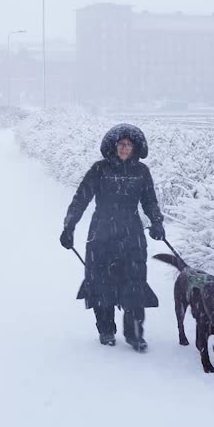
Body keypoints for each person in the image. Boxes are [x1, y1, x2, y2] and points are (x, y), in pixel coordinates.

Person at [59, 123, 165, 351]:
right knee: (100, 283)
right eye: (121, 144)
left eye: (129, 144)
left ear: (135, 148)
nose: (125, 148)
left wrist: (157, 222)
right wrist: (69, 227)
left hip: (132, 233)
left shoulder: (142, 172)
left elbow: (150, 201)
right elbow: (80, 200)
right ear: (113, 146)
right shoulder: (99, 169)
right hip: (102, 233)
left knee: (135, 283)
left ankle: (135, 334)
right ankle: (106, 330)